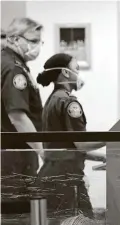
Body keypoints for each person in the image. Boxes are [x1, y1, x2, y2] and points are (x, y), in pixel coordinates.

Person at [35, 53, 106, 219]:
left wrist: (103, 157)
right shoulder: (68, 103)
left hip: (52, 175)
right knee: (83, 221)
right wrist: (115, 137)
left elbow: (68, 147)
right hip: (66, 180)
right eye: (77, 69)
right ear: (66, 73)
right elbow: (82, 144)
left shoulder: (52, 100)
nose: (79, 74)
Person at [1, 17, 44, 214]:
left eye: (39, 42)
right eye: (33, 40)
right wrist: (43, 152)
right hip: (15, 160)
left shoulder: (9, 62)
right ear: (15, 39)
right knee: (17, 214)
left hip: (14, 158)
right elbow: (17, 116)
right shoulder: (13, 69)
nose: (37, 46)